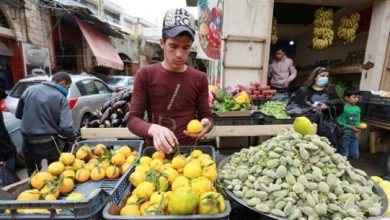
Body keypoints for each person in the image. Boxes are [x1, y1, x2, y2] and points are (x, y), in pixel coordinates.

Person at [128, 8, 213, 154]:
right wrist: (153, 129)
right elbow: (133, 120)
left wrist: (207, 125)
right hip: (155, 154)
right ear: (162, 43)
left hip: (189, 155)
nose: (179, 54)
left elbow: (207, 117)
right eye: (173, 46)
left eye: (186, 48)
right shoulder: (145, 74)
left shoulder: (199, 78)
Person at [15, 71, 76, 176]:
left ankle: (33, 191)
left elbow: (18, 114)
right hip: (50, 143)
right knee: (56, 175)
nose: (67, 90)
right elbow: (66, 127)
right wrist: (73, 137)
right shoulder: (61, 98)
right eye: (68, 87)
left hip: (28, 142)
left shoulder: (30, 90)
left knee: (34, 176)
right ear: (63, 83)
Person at [337, 87, 361, 159]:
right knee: (345, 154)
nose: (357, 99)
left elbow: (357, 121)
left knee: (355, 154)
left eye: (358, 97)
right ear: (346, 98)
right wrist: (349, 127)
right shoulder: (342, 107)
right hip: (343, 134)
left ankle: (345, 164)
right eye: (354, 97)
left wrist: (359, 128)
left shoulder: (357, 109)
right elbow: (337, 121)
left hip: (353, 135)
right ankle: (343, 167)